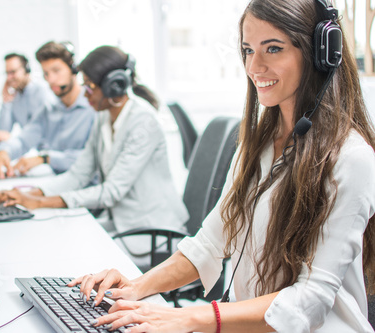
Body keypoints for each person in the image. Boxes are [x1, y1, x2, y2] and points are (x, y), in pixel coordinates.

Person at [64, 1, 375, 332]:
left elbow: (311, 298)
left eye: (272, 49)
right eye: (247, 50)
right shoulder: (256, 147)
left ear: (319, 54)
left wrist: (191, 317)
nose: (254, 66)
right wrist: (134, 287)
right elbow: (211, 243)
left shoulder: (351, 159)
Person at [0, 46, 189, 254]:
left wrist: (39, 202)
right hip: (122, 225)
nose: (85, 93)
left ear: (113, 87)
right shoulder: (104, 117)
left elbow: (111, 192)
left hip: (153, 233)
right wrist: (24, 195)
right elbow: (78, 174)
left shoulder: (144, 122)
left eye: (90, 87)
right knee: (58, 243)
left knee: (73, 254)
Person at [0, 42, 95, 177]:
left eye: (56, 71)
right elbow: (24, 139)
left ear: (73, 69)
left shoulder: (94, 107)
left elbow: (93, 158)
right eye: (46, 73)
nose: (50, 80)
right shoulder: (48, 110)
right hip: (57, 182)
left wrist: (45, 158)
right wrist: (3, 152)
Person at [0, 53, 56, 142]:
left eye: (13, 72)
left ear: (26, 70)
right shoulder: (15, 98)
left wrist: (14, 139)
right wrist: (6, 101)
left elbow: (48, 131)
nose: (9, 78)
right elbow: (3, 132)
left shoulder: (42, 91)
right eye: (7, 73)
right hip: (29, 150)